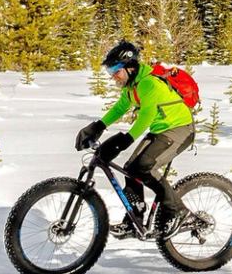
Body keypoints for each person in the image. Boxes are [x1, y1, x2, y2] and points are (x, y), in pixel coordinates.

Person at [76, 40, 194, 238]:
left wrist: (125, 140)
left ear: (130, 67)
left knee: (144, 166)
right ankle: (134, 219)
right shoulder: (131, 86)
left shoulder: (149, 83)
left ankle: (178, 211)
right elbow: (120, 108)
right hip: (162, 130)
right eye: (110, 71)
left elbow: (146, 115)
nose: (113, 76)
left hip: (180, 129)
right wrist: (97, 127)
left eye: (116, 70)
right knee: (131, 169)